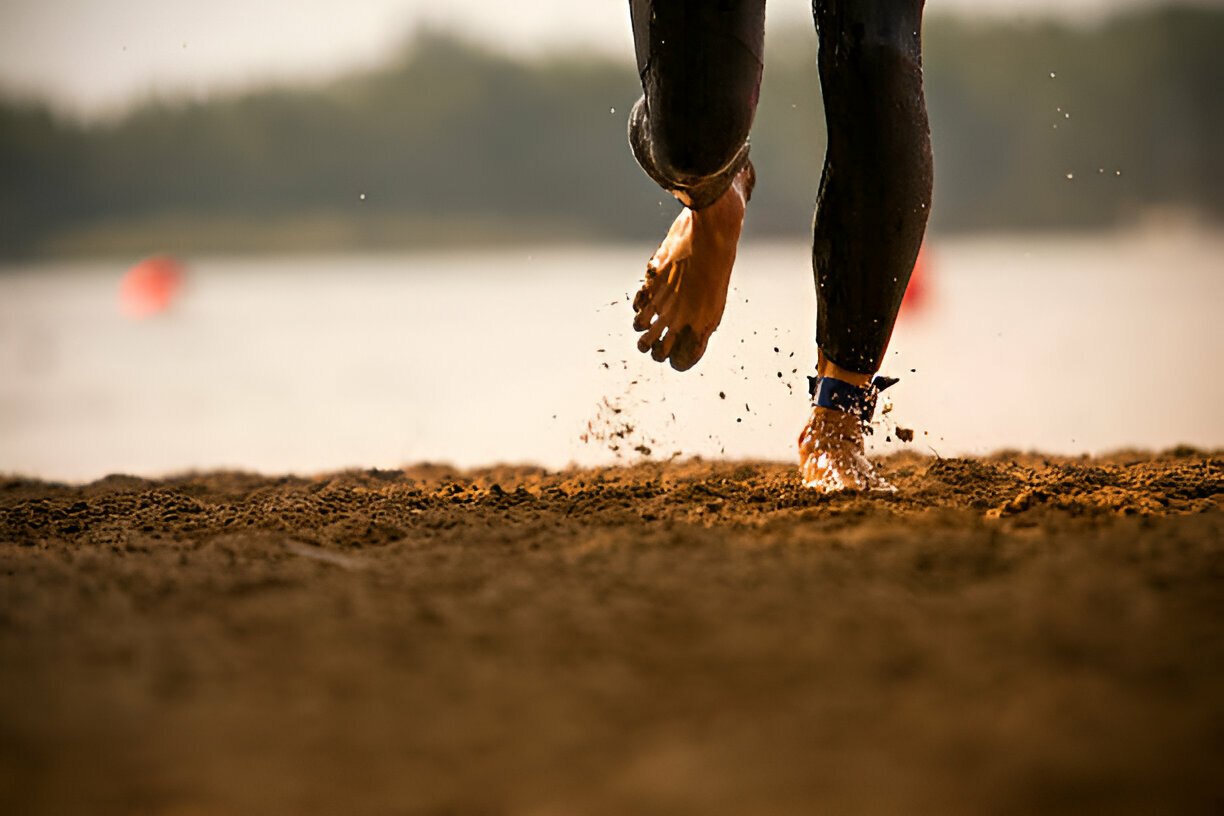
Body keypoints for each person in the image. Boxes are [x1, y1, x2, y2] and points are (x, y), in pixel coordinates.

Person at [626, 0, 933, 492]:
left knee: (878, 53)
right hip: (697, 143)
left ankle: (837, 421)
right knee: (691, 141)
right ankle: (713, 190)